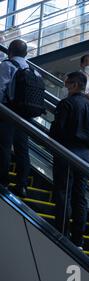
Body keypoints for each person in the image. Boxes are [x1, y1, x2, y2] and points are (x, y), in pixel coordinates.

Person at [49, 71, 89, 248]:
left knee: (63, 192)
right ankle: (78, 238)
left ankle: (62, 232)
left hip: (66, 151)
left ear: (75, 85)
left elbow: (57, 130)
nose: (66, 86)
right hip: (85, 155)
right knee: (80, 197)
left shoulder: (66, 104)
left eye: (68, 83)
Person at [0, 39, 33, 197]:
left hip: (8, 112)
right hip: (25, 115)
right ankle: (22, 185)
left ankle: (3, 182)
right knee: (22, 150)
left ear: (9, 51)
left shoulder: (7, 65)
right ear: (25, 53)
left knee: (4, 147)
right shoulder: (31, 69)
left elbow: (1, 89)